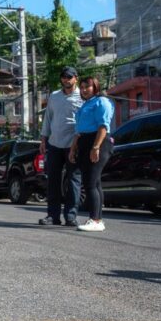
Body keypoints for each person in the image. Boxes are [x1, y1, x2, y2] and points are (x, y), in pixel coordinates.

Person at [38, 66, 83, 227]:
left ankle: (71, 216)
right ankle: (52, 216)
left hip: (74, 145)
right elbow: (48, 119)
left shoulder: (82, 96)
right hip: (54, 144)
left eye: (69, 77)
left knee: (73, 181)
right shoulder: (54, 96)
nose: (66, 80)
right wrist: (43, 140)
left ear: (76, 78)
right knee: (53, 182)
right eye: (64, 77)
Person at [69, 76, 114, 232]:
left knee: (89, 182)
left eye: (87, 86)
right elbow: (78, 130)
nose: (84, 90)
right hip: (84, 141)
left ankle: (95, 219)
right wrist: (73, 148)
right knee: (95, 183)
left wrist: (95, 147)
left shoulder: (102, 102)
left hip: (98, 141)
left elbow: (103, 126)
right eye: (81, 87)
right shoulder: (85, 105)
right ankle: (98, 219)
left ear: (95, 86)